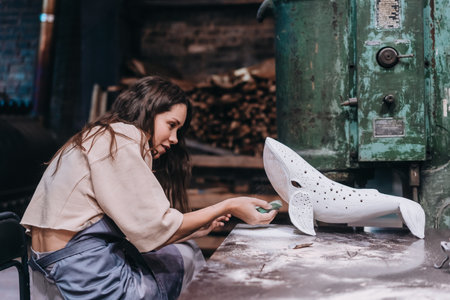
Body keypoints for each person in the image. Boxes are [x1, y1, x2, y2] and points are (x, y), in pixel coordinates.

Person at [21, 76, 277, 299]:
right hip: (84, 273)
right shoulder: (121, 139)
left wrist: (196, 229)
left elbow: (140, 231)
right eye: (171, 125)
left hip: (51, 267)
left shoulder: (99, 135)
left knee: (184, 248)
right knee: (186, 259)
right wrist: (229, 204)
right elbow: (156, 226)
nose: (175, 139)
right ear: (149, 111)